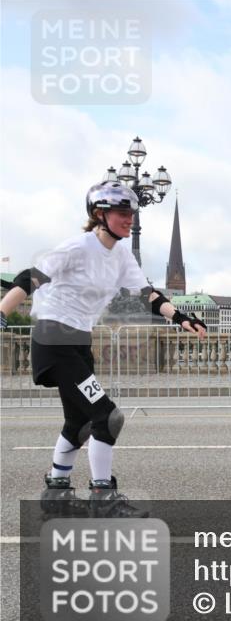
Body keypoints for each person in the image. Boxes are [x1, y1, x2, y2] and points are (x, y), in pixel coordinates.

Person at [0, 181, 207, 517]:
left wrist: (181, 317)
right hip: (54, 339)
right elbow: (28, 279)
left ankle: (57, 492)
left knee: (79, 422)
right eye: (123, 213)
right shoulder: (78, 248)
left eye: (132, 213)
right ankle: (102, 497)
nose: (130, 219)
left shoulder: (122, 255)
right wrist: (1, 314)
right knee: (108, 416)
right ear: (100, 214)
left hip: (79, 341)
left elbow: (148, 295)